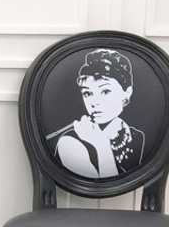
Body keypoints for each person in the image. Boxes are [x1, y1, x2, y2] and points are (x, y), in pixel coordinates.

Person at [47, 48, 145, 178]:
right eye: (88, 93)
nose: (94, 102)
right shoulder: (69, 142)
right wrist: (102, 145)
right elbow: (108, 186)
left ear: (127, 92)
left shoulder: (135, 135)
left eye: (105, 91)